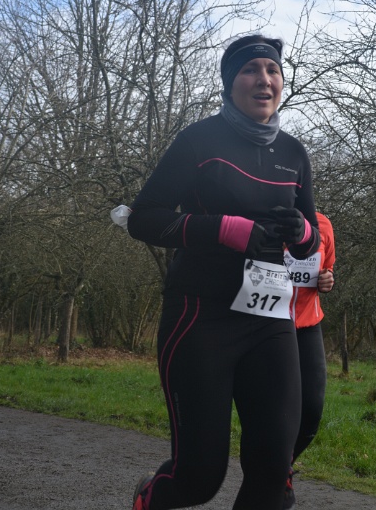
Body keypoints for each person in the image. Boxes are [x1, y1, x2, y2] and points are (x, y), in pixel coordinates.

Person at [124, 34, 321, 510]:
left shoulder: (294, 153)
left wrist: (301, 232)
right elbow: (143, 218)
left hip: (270, 320)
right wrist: (223, 229)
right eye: (251, 69)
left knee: (274, 471)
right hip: (200, 315)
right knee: (198, 479)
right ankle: (149, 498)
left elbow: (312, 238)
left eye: (272, 70)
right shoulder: (199, 140)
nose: (264, 79)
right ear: (231, 82)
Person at [282, 211, 335, 509]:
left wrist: (327, 280)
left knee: (312, 410)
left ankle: (282, 467)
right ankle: (273, 472)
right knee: (277, 409)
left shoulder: (322, 224)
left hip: (307, 325)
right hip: (270, 324)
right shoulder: (258, 218)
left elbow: (327, 270)